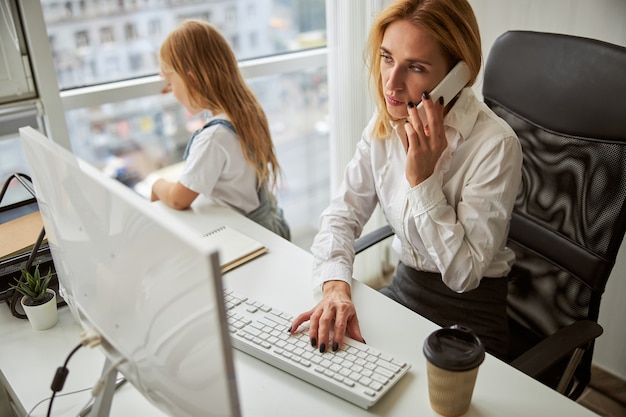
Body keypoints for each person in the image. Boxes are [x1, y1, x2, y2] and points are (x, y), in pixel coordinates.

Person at [289, 0, 522, 360]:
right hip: (402, 293)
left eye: (414, 67)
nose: (391, 84)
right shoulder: (386, 124)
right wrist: (335, 287)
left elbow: (464, 275)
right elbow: (341, 215)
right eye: (386, 58)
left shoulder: (495, 145)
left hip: (469, 321)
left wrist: (422, 180)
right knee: (324, 362)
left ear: (457, 74)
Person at [151, 20, 291, 240]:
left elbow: (179, 199)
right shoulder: (246, 112)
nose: (172, 93)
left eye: (170, 83)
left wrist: (157, 185)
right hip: (270, 226)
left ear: (191, 79)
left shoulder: (214, 137)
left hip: (248, 238)